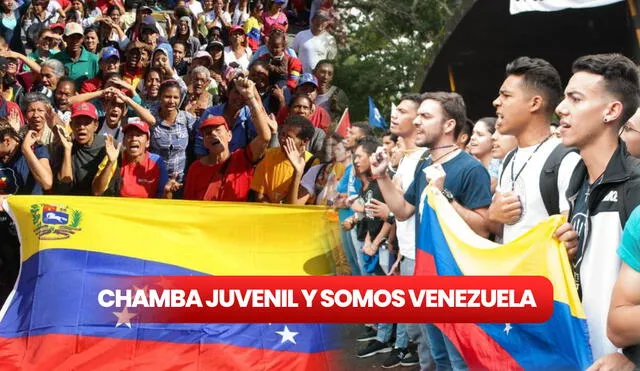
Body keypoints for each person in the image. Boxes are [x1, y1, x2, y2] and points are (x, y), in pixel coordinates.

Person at [370, 92, 493, 370]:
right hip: (427, 277)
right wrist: (381, 176)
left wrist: (444, 195)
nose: (416, 121)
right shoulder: (426, 163)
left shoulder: (471, 169)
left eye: (426, 116)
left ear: (449, 125)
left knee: (460, 362)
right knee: (438, 358)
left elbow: (484, 227)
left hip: (456, 283)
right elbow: (402, 210)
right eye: (418, 115)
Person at [555, 53, 640, 367]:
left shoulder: (636, 187)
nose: (561, 108)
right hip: (581, 354)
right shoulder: (575, 184)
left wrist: (631, 359)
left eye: (575, 99)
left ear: (611, 111)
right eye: (565, 97)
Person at [489, 56, 581, 243]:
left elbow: (570, 239)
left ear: (535, 103)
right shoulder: (508, 159)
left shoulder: (565, 160)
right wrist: (494, 213)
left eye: (506, 96)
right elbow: (499, 228)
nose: (496, 102)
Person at [366, 94, 426, 369]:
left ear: (418, 119)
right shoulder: (406, 160)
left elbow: (407, 210)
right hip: (408, 253)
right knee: (416, 331)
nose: (394, 113)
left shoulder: (425, 159)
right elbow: (403, 212)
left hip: (424, 256)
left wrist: (388, 213)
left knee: (426, 337)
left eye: (401, 110)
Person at [184, 78, 271, 201]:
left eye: (218, 130)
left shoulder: (243, 160)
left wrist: (251, 97)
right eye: (208, 133)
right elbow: (188, 206)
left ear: (229, 135)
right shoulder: (196, 169)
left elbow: (265, 137)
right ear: (204, 141)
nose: (213, 134)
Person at [93, 119, 181, 198]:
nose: (134, 138)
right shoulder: (114, 157)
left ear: (147, 142)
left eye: (138, 135)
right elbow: (97, 191)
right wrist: (110, 163)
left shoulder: (157, 162)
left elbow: (164, 201)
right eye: (130, 135)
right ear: (123, 141)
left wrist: (167, 192)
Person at [51, 101, 118, 195]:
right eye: (77, 123)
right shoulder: (63, 146)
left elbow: (99, 192)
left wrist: (110, 162)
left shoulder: (108, 145)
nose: (81, 127)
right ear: (71, 126)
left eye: (86, 123)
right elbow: (63, 188)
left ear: (96, 126)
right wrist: (67, 150)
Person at [249, 114, 316, 203]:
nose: (282, 139)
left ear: (304, 141)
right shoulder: (269, 155)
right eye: (282, 134)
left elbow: (295, 206)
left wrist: (298, 171)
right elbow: (260, 195)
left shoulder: (312, 164)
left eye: (288, 137)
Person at [195, 77, 259, 155]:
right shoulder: (211, 113)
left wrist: (252, 97)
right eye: (237, 92)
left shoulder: (249, 113)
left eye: (244, 94)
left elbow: (263, 136)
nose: (240, 97)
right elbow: (200, 146)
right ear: (228, 92)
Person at [150, 79, 197, 184]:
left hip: (179, 181)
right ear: (159, 97)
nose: (171, 101)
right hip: (154, 179)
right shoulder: (151, 118)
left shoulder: (187, 119)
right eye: (167, 97)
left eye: (175, 97)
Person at [469, 117, 500, 192]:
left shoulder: (499, 167)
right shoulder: (473, 166)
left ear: (494, 138)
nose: (472, 137)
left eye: (479, 135)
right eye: (473, 133)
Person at [314, 59, 348, 125]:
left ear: (332, 77)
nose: (325, 77)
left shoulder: (338, 94)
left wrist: (336, 109)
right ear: (314, 72)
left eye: (329, 74)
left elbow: (344, 120)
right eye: (322, 72)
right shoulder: (305, 90)